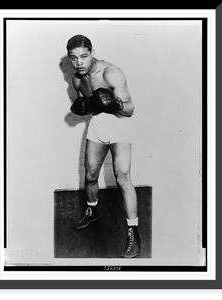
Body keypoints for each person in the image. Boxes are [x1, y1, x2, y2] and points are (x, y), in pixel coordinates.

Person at [66, 34, 140, 258]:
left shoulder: (111, 72)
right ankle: (92, 209)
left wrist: (115, 102)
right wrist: (85, 105)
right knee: (90, 174)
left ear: (92, 53)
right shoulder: (77, 80)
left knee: (122, 177)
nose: (79, 62)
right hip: (99, 123)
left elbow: (129, 109)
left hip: (121, 123)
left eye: (84, 56)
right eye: (74, 58)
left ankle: (133, 233)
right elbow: (86, 105)